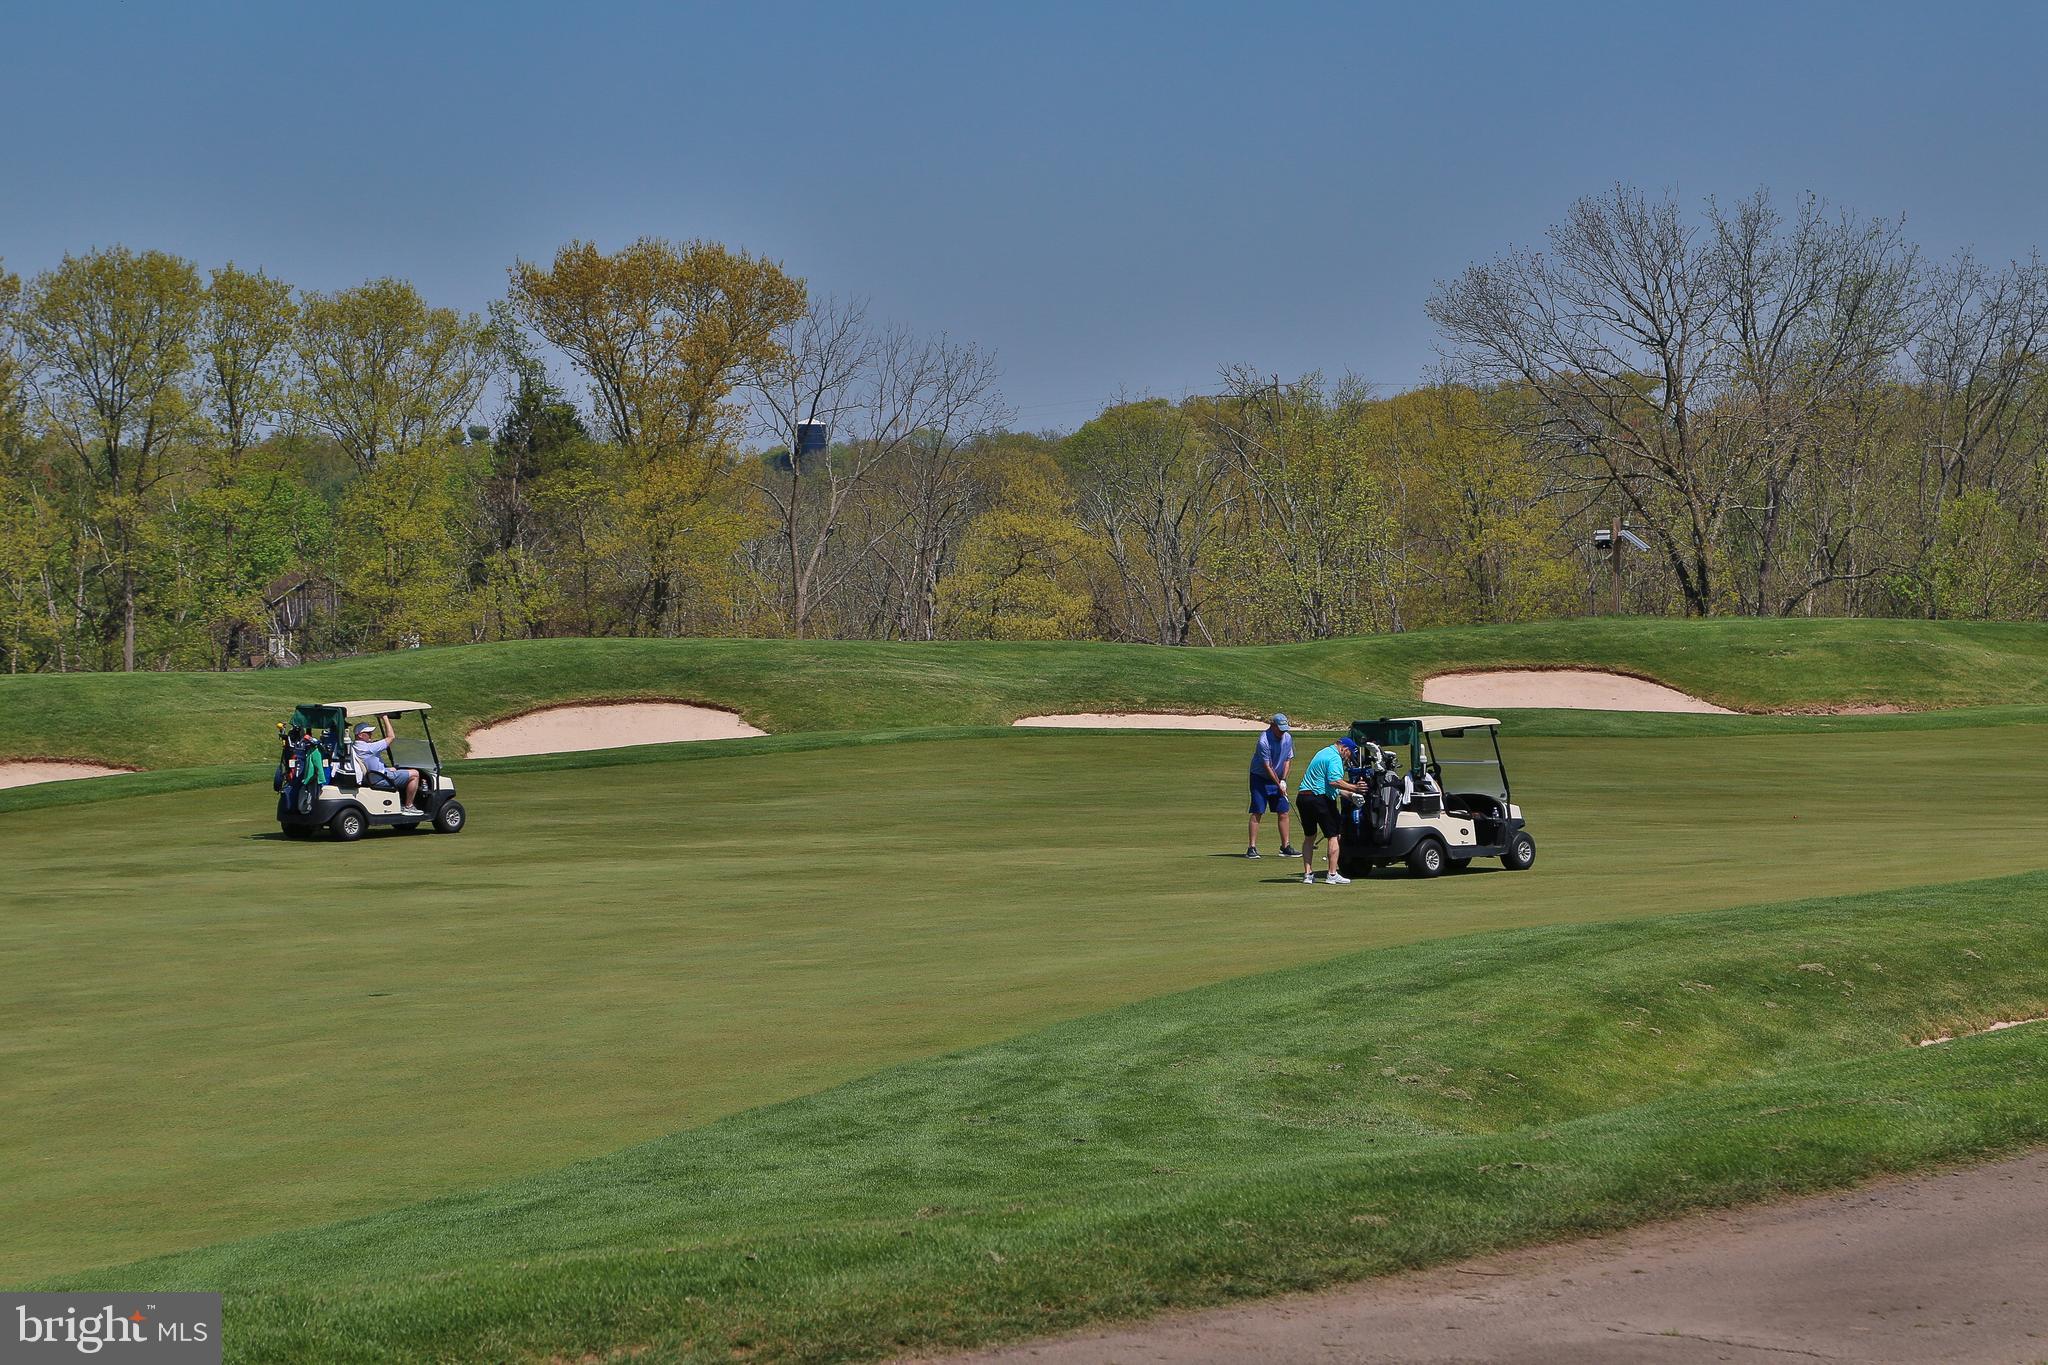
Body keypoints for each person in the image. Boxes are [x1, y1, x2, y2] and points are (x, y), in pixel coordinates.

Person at [1295, 735, 1369, 885]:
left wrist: (1350, 794)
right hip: (1319, 799)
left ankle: (1308, 874)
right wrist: (1355, 788)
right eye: (1349, 754)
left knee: (1310, 836)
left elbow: (1327, 784)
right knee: (1334, 835)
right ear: (1344, 749)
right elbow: (1334, 781)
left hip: (1303, 798)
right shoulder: (1335, 758)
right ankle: (1332, 874)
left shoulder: (1322, 752)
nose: (1348, 758)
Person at [1246, 713, 1299, 859]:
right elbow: (1267, 766)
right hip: (1260, 778)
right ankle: (1252, 848)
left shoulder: (1287, 737)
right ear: (1272, 726)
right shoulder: (1264, 741)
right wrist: (1278, 783)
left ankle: (1285, 846)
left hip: (1278, 778)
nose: (1283, 732)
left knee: (1283, 811)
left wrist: (1283, 780)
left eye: (1285, 729)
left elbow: (1288, 760)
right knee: (1258, 810)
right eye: (1280, 729)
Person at [352, 715, 424, 815]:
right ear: (360, 735)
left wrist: (388, 769)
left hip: (373, 776)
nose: (371, 734)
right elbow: (391, 737)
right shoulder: (370, 748)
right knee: (415, 774)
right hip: (380, 779)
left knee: (394, 769)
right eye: (368, 733)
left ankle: (402, 801)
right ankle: (409, 806)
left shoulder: (354, 746)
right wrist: (385, 718)